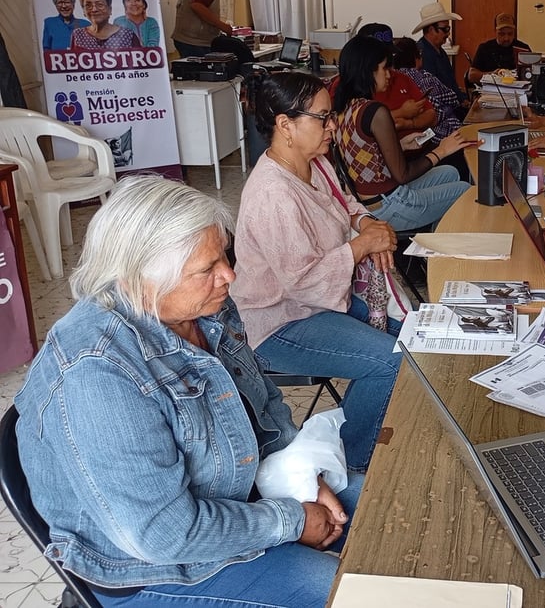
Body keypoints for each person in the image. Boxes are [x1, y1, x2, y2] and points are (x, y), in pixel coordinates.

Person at [15, 175, 362, 607]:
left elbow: (265, 412)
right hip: (151, 568)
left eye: (224, 257)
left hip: (235, 498)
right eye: (208, 269)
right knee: (348, 593)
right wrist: (291, 519)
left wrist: (302, 476)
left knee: (384, 505)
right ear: (143, 280)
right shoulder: (99, 373)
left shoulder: (204, 308)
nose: (229, 275)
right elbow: (163, 533)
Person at [232, 70, 402, 473]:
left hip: (321, 303)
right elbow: (304, 282)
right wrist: (362, 245)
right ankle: (354, 466)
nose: (333, 126)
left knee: (413, 339)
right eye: (323, 118)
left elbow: (346, 205)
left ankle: (375, 428)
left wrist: (367, 225)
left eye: (332, 115)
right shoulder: (272, 193)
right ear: (285, 125)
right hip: (280, 321)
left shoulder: (316, 163)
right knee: (390, 362)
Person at [333, 35, 475, 231]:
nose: (390, 74)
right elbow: (403, 175)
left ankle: (432, 238)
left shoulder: (345, 107)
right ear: (368, 71)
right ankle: (434, 250)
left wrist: (400, 145)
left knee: (449, 172)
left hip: (372, 198)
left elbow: (361, 151)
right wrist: (442, 151)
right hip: (388, 205)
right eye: (384, 68)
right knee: (465, 190)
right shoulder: (375, 111)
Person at [392, 36, 472, 183]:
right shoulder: (423, 77)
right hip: (436, 136)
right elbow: (451, 99)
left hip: (414, 144)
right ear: (416, 56)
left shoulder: (393, 82)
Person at [352, 23, 436, 138]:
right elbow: (358, 125)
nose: (387, 61)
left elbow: (431, 114)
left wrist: (409, 123)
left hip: (420, 145)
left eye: (389, 55)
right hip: (387, 153)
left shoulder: (401, 78)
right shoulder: (350, 86)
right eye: (379, 57)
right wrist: (402, 112)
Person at [413, 1, 465, 101]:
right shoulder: (423, 54)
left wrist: (462, 98)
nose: (448, 33)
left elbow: (451, 83)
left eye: (448, 28)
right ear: (431, 30)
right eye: (445, 29)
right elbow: (433, 92)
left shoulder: (440, 51)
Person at [70, 0, 141, 50]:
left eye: (99, 5)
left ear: (110, 9)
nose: (94, 9)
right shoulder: (78, 36)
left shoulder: (128, 36)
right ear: (84, 11)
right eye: (88, 5)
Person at [467, 12, 531, 84]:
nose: (506, 38)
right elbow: (471, 76)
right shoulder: (485, 48)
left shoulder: (523, 49)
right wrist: (492, 75)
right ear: (495, 31)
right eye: (501, 34)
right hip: (491, 91)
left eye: (510, 34)